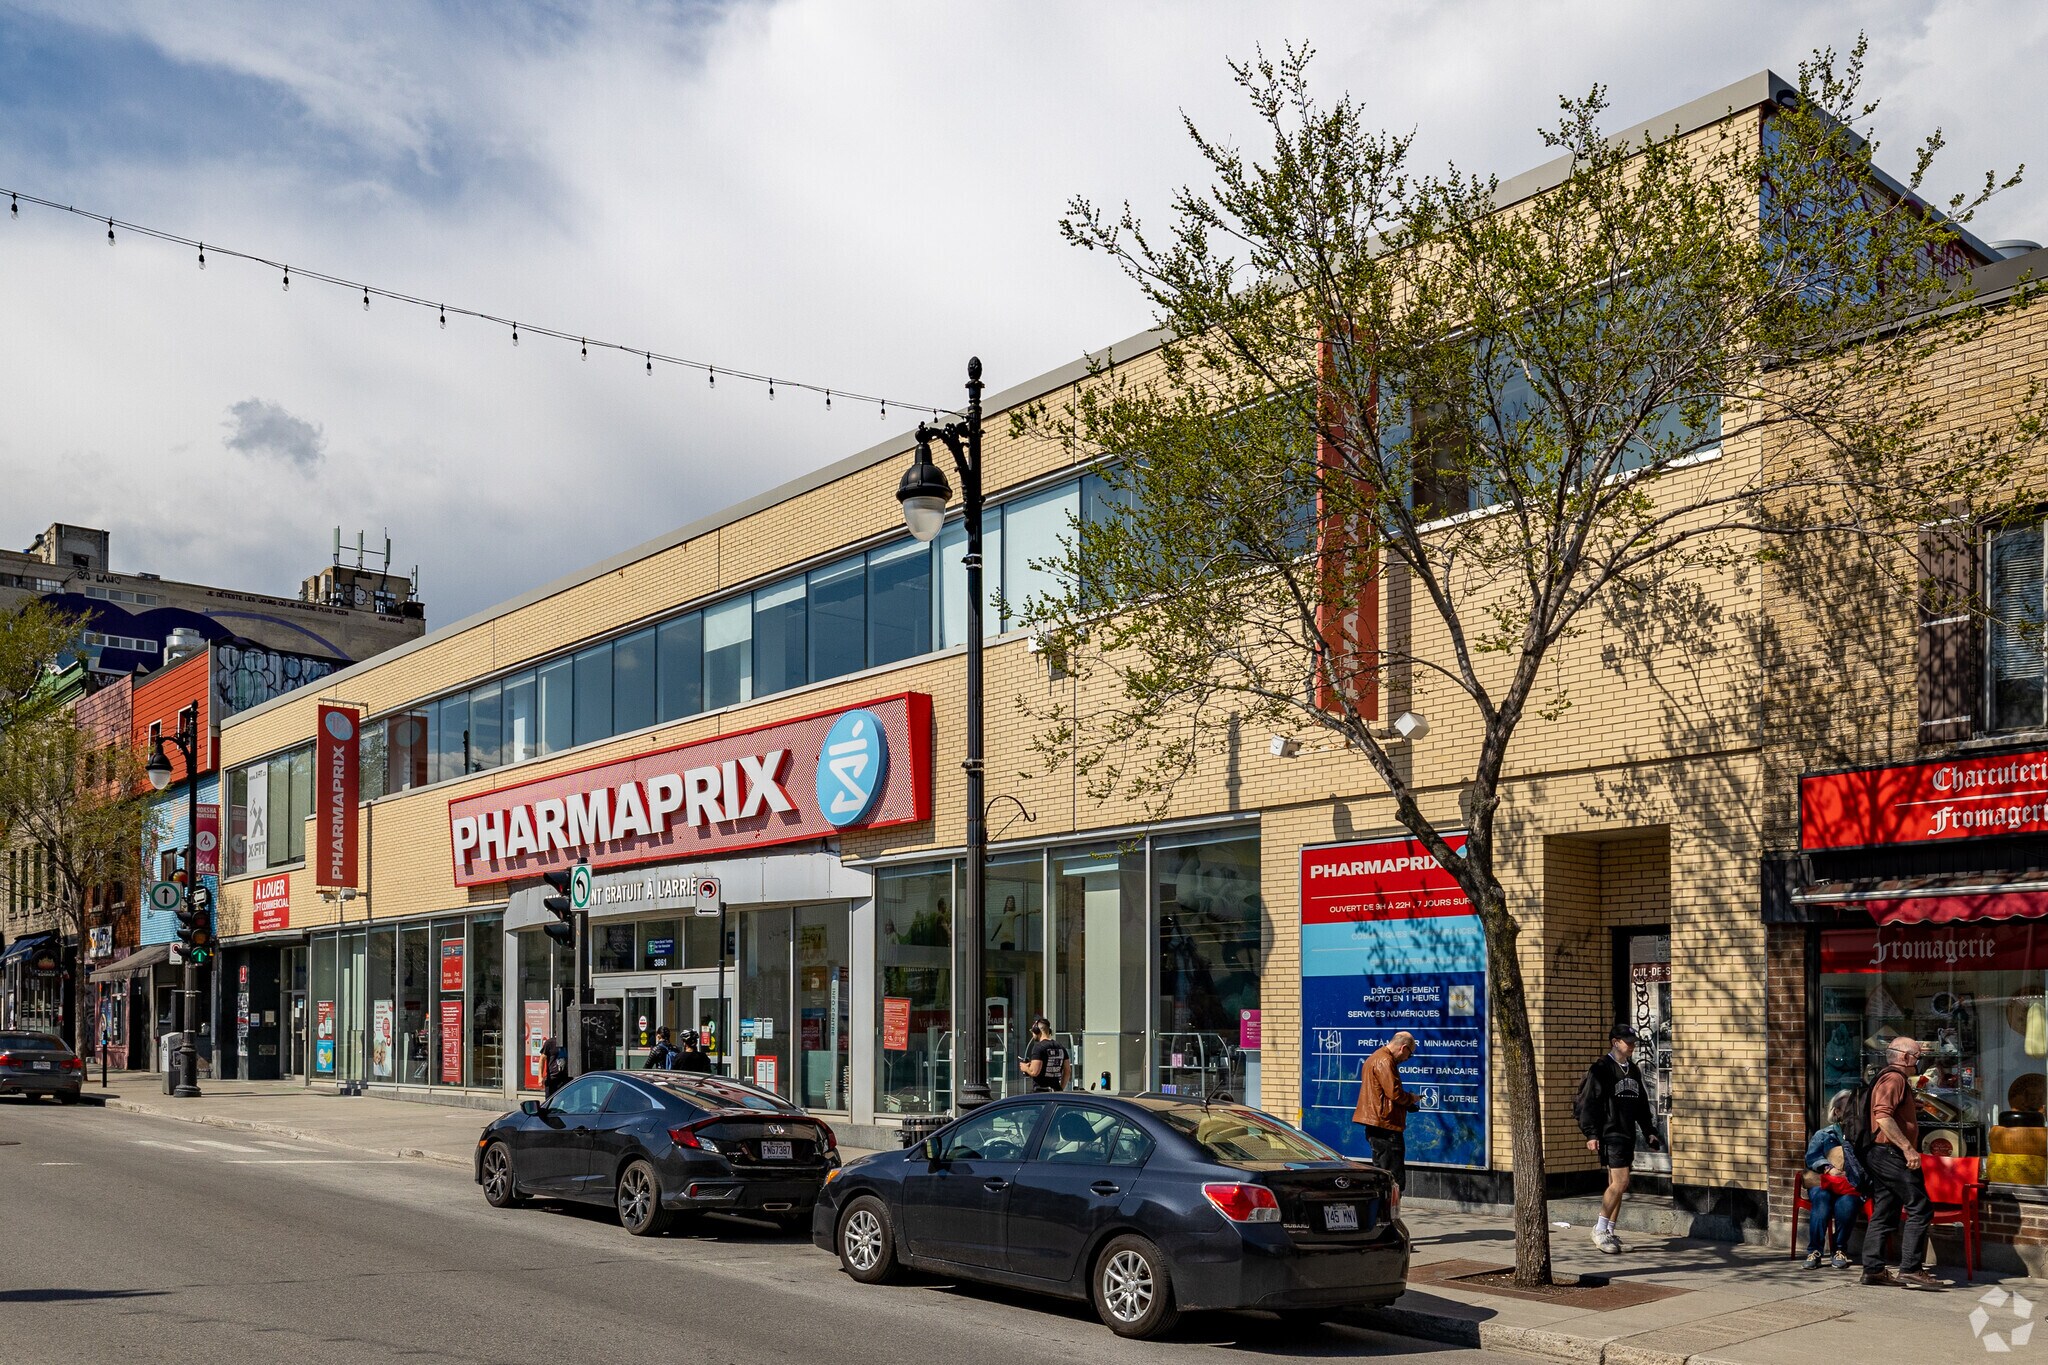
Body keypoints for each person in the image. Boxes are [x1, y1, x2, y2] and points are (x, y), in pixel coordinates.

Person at [1861, 1036, 1940, 1290]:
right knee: (1921, 1207)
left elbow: (1887, 1112)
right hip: (1890, 1153)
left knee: (1885, 1209)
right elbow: (1882, 1115)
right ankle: (1911, 1269)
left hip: (1882, 1153)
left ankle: (1873, 1270)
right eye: (1917, 1057)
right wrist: (1907, 1148)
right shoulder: (1894, 1078)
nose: (1919, 1062)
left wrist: (1909, 1107)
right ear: (1905, 1057)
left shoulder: (1892, 1078)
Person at [1574, 1026, 1662, 1254]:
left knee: (1619, 1185)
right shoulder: (1601, 1069)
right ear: (1615, 1042)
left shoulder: (1632, 1070)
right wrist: (1591, 1133)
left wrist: (1649, 1130)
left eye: (1633, 1042)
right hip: (1609, 1133)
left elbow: (1642, 1104)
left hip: (1627, 1133)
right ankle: (1599, 1229)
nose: (1632, 1045)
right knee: (1620, 1183)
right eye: (1627, 1041)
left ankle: (1610, 1232)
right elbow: (1588, 1102)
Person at [1803, 1089, 1867, 1269]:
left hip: (1848, 1183)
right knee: (1821, 1202)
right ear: (1837, 1111)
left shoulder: (1860, 1135)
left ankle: (1840, 1249)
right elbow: (1811, 1157)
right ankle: (1814, 1251)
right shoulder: (1823, 1134)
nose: (1852, 1113)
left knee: (1847, 1205)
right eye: (1848, 1109)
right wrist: (1828, 1167)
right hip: (1824, 1181)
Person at [1351, 1031, 1421, 1190]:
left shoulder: (1375, 1057)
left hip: (1377, 1123)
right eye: (1409, 1055)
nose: (1406, 1059)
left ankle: (1382, 1212)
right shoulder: (1385, 1060)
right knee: (1393, 1178)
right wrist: (1411, 1098)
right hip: (1386, 1125)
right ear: (1403, 1048)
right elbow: (1394, 1093)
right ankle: (1390, 1213)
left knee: (1383, 1172)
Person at [1019, 1016, 1070, 1093]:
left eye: (1033, 1031)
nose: (1032, 1034)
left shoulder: (1038, 1047)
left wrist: (1025, 1068)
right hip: (1056, 1091)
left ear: (1037, 1031)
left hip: (1041, 1093)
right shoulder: (1061, 1047)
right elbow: (1067, 1071)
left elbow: (1034, 1072)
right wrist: (1060, 1089)